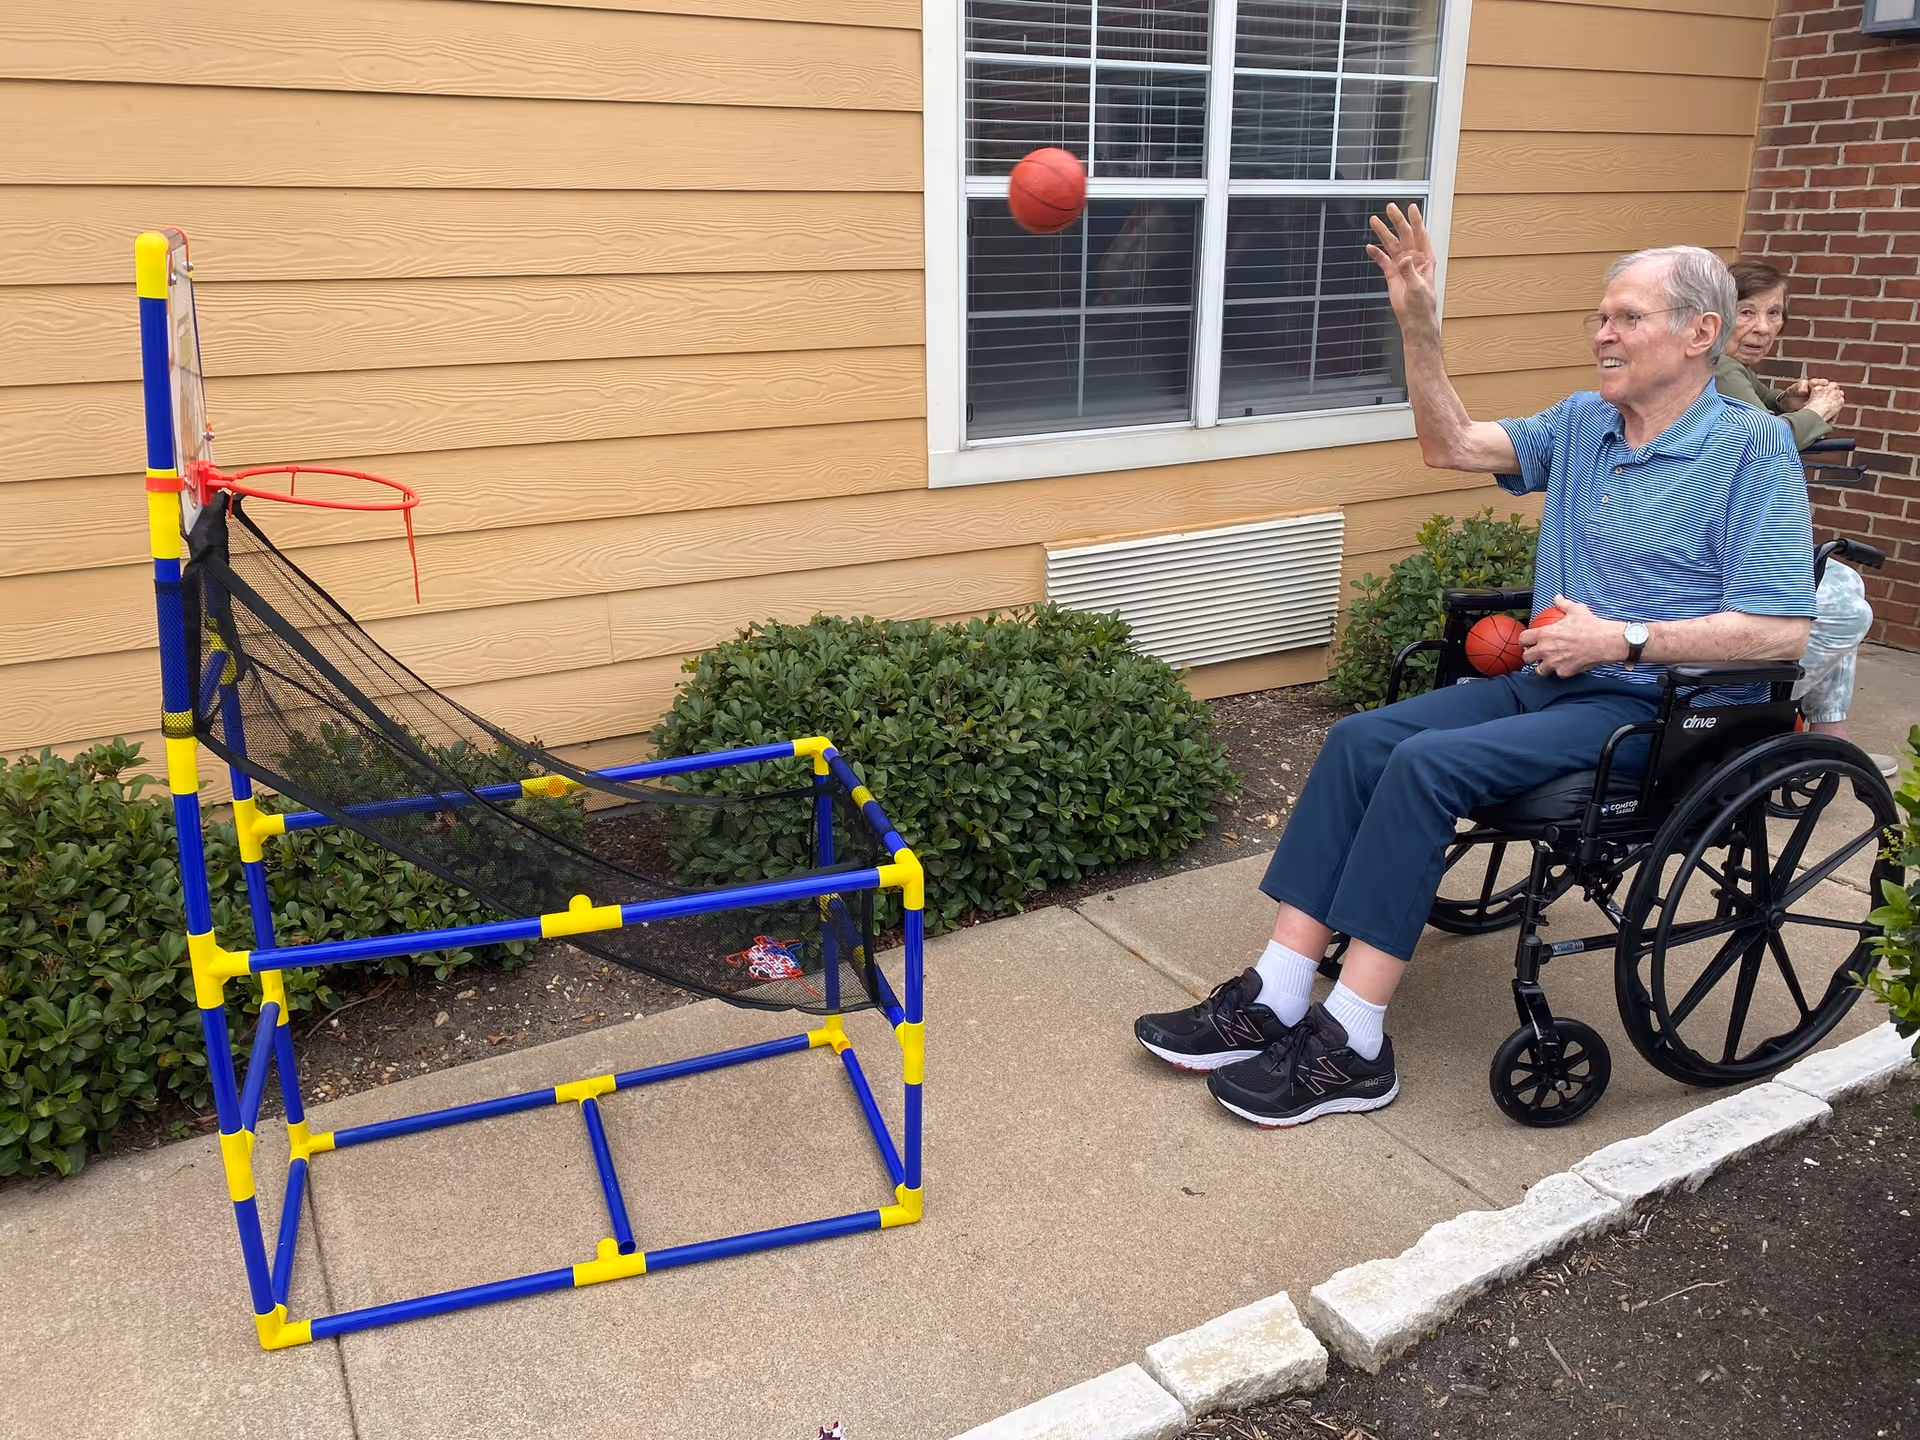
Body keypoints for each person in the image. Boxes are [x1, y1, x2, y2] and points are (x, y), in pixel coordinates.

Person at [1134, 212, 1817, 1129]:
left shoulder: (1751, 448)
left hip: (1657, 708)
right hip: (1555, 680)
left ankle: (1356, 1040)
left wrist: (1624, 639)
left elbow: (1780, 633)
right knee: (1360, 739)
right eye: (1600, 317)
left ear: (1701, 334)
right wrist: (1418, 322)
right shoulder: (1585, 423)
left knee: (1426, 766)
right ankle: (1280, 989)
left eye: (1626, 317)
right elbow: (1450, 443)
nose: (1601, 334)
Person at [1714, 260, 1894, 781]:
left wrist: (1783, 399)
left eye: (1774, 313)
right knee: (1845, 609)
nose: (1763, 327)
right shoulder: (1716, 369)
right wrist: (1815, 411)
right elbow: (1768, 441)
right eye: (1747, 311)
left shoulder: (1732, 371)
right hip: (1728, 544)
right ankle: (1752, 722)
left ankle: (1826, 735)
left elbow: (1756, 410)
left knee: (1845, 581)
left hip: (1741, 536)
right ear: (1715, 315)